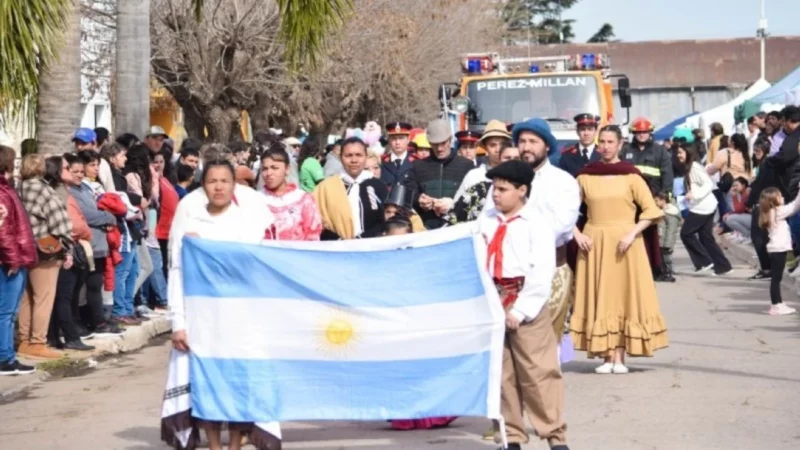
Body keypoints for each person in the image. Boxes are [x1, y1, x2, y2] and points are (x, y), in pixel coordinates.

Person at [167, 159, 277, 450]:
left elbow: (256, 269)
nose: (218, 187)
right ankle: (215, 445)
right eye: (212, 181)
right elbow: (176, 271)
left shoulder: (247, 223)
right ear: (203, 185)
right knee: (208, 383)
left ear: (234, 186)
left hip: (240, 316)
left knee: (239, 382)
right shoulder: (190, 220)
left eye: (224, 181)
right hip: (203, 318)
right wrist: (178, 321)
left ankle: (235, 445)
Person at [477, 160, 568, 450]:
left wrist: (520, 310)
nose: (495, 194)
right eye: (494, 188)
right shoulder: (486, 220)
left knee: (538, 371)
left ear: (522, 190)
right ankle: (511, 435)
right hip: (493, 298)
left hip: (523, 297)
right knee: (501, 373)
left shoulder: (536, 223)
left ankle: (555, 435)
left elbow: (541, 271)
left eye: (502, 189)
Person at [570, 125, 668, 374]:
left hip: (626, 242)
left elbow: (651, 211)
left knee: (624, 297)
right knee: (600, 295)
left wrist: (632, 233)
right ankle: (606, 356)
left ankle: (620, 358)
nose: (605, 146)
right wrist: (577, 235)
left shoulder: (631, 176)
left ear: (620, 144)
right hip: (594, 241)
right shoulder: (585, 176)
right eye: (602, 142)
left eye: (610, 142)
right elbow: (566, 212)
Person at [17, 155, 75, 360]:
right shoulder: (43, 189)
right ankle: (38, 342)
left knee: (26, 298)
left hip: (22, 248)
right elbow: (60, 221)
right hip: (45, 248)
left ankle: (24, 341)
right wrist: (67, 246)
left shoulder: (18, 188)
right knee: (43, 298)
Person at [44, 156, 95, 351]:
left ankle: (55, 336)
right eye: (67, 168)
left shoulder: (65, 191)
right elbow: (73, 225)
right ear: (57, 171)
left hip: (67, 247)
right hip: (64, 249)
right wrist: (85, 232)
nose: (73, 172)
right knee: (64, 296)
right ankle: (70, 336)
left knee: (65, 296)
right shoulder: (59, 193)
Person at [0, 146, 38, 376]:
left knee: (8, 311)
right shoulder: (2, 192)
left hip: (14, 258)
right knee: (6, 312)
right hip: (8, 263)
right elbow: (3, 230)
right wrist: (13, 259)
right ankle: (5, 358)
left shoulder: (7, 188)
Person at [313, 137, 388, 239]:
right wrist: (341, 242)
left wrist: (361, 240)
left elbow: (386, 220)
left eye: (359, 155)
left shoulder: (378, 186)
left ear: (365, 157)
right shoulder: (325, 188)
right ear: (340, 158)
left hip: (372, 245)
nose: (354, 160)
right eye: (348, 155)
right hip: (335, 246)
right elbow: (318, 221)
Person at [406, 119, 476, 229]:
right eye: (435, 144)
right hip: (426, 229)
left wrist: (454, 204)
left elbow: (475, 199)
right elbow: (408, 195)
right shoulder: (418, 166)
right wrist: (419, 200)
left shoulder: (467, 166)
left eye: (443, 143)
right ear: (429, 142)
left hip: (457, 229)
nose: (439, 148)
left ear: (450, 139)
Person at [677, 142, 733, 275]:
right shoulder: (690, 167)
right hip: (704, 205)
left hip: (702, 207)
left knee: (686, 233)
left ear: (688, 153)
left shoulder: (694, 167)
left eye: (680, 152)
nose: (678, 155)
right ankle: (723, 266)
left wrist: (694, 195)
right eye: (677, 153)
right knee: (706, 237)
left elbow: (708, 183)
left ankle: (704, 262)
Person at [261, 148, 322, 241]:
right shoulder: (255, 199)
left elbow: (313, 235)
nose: (269, 173)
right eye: (265, 169)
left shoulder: (303, 199)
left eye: (275, 168)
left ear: (287, 169)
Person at [757, 187, 800, 315]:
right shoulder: (777, 211)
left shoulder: (769, 212)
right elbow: (795, 205)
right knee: (776, 279)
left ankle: (778, 303)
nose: (782, 198)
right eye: (780, 196)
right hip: (778, 249)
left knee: (776, 278)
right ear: (772, 200)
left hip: (775, 249)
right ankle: (775, 305)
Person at [620, 117, 673, 199]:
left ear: (649, 132)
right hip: (630, 197)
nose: (642, 135)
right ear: (634, 133)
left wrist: (665, 196)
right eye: (639, 132)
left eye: (644, 132)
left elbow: (667, 175)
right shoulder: (625, 151)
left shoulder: (660, 151)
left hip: (653, 197)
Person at [654, 192, 680, 283]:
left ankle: (669, 274)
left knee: (667, 259)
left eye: (656, 201)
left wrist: (667, 243)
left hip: (666, 241)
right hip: (662, 239)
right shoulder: (662, 211)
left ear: (663, 200)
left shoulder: (670, 213)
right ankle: (664, 273)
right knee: (662, 258)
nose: (655, 203)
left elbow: (671, 230)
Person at [379, 122, 415, 187]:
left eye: (401, 138)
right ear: (389, 140)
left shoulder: (416, 162)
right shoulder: (381, 162)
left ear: (408, 140)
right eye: (393, 138)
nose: (397, 142)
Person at [723, 177, 751, 241]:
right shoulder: (741, 193)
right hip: (749, 217)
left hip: (756, 219)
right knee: (726, 217)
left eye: (736, 185)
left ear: (743, 185)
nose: (735, 187)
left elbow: (739, 210)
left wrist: (734, 196)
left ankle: (748, 235)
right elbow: (737, 210)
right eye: (733, 186)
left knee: (730, 219)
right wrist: (729, 213)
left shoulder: (747, 192)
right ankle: (739, 233)